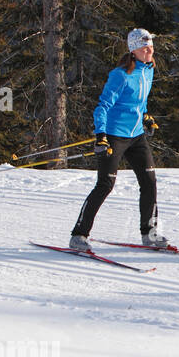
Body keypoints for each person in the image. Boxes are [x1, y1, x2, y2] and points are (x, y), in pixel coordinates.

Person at [69, 28, 166, 252]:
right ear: (134, 50)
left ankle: (149, 235)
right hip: (114, 135)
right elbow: (103, 106)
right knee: (105, 185)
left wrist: (146, 117)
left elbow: (139, 102)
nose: (149, 49)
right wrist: (101, 136)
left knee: (149, 182)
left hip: (136, 137)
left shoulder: (148, 70)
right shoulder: (121, 75)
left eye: (151, 45)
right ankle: (78, 235)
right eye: (145, 46)